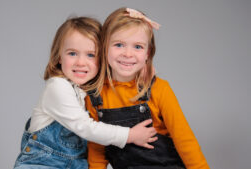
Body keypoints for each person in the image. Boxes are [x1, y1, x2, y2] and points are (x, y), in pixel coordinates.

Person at [13, 16, 158, 169]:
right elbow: (85, 127)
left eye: (90, 55)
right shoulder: (57, 86)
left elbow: (119, 82)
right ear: (59, 56)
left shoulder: (91, 91)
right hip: (41, 164)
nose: (81, 62)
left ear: (102, 59)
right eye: (72, 53)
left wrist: (140, 71)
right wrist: (129, 135)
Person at [86, 8, 210, 169]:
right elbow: (97, 149)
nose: (128, 54)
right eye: (119, 45)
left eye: (138, 47)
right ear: (104, 47)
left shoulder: (159, 89)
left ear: (147, 53)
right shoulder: (96, 96)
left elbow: (184, 140)